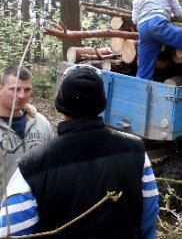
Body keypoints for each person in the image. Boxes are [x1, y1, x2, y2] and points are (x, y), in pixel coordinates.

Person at [0, 64, 159, 238]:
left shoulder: (32, 166)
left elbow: (11, 232)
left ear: (61, 101)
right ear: (102, 101)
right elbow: (149, 215)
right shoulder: (136, 151)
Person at [0, 66, 53, 196]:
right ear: (0, 89)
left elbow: (52, 165)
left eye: (27, 89)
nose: (21, 95)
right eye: (15, 89)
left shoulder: (41, 123)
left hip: (35, 207)